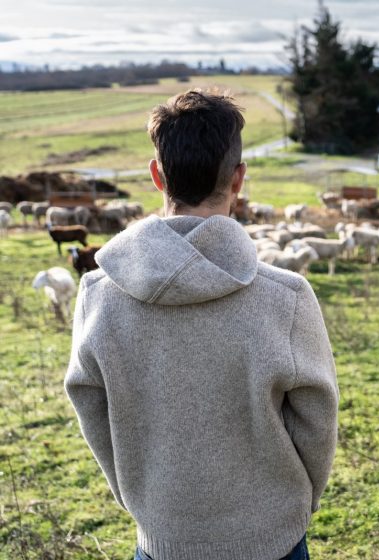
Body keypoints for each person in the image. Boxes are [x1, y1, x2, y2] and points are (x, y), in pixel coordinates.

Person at [65, 89, 339, 560]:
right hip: (273, 539)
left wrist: (143, 499)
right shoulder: (288, 298)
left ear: (156, 175)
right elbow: (318, 420)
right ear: (238, 179)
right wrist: (299, 504)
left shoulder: (99, 296)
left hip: (161, 538)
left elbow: (91, 409)